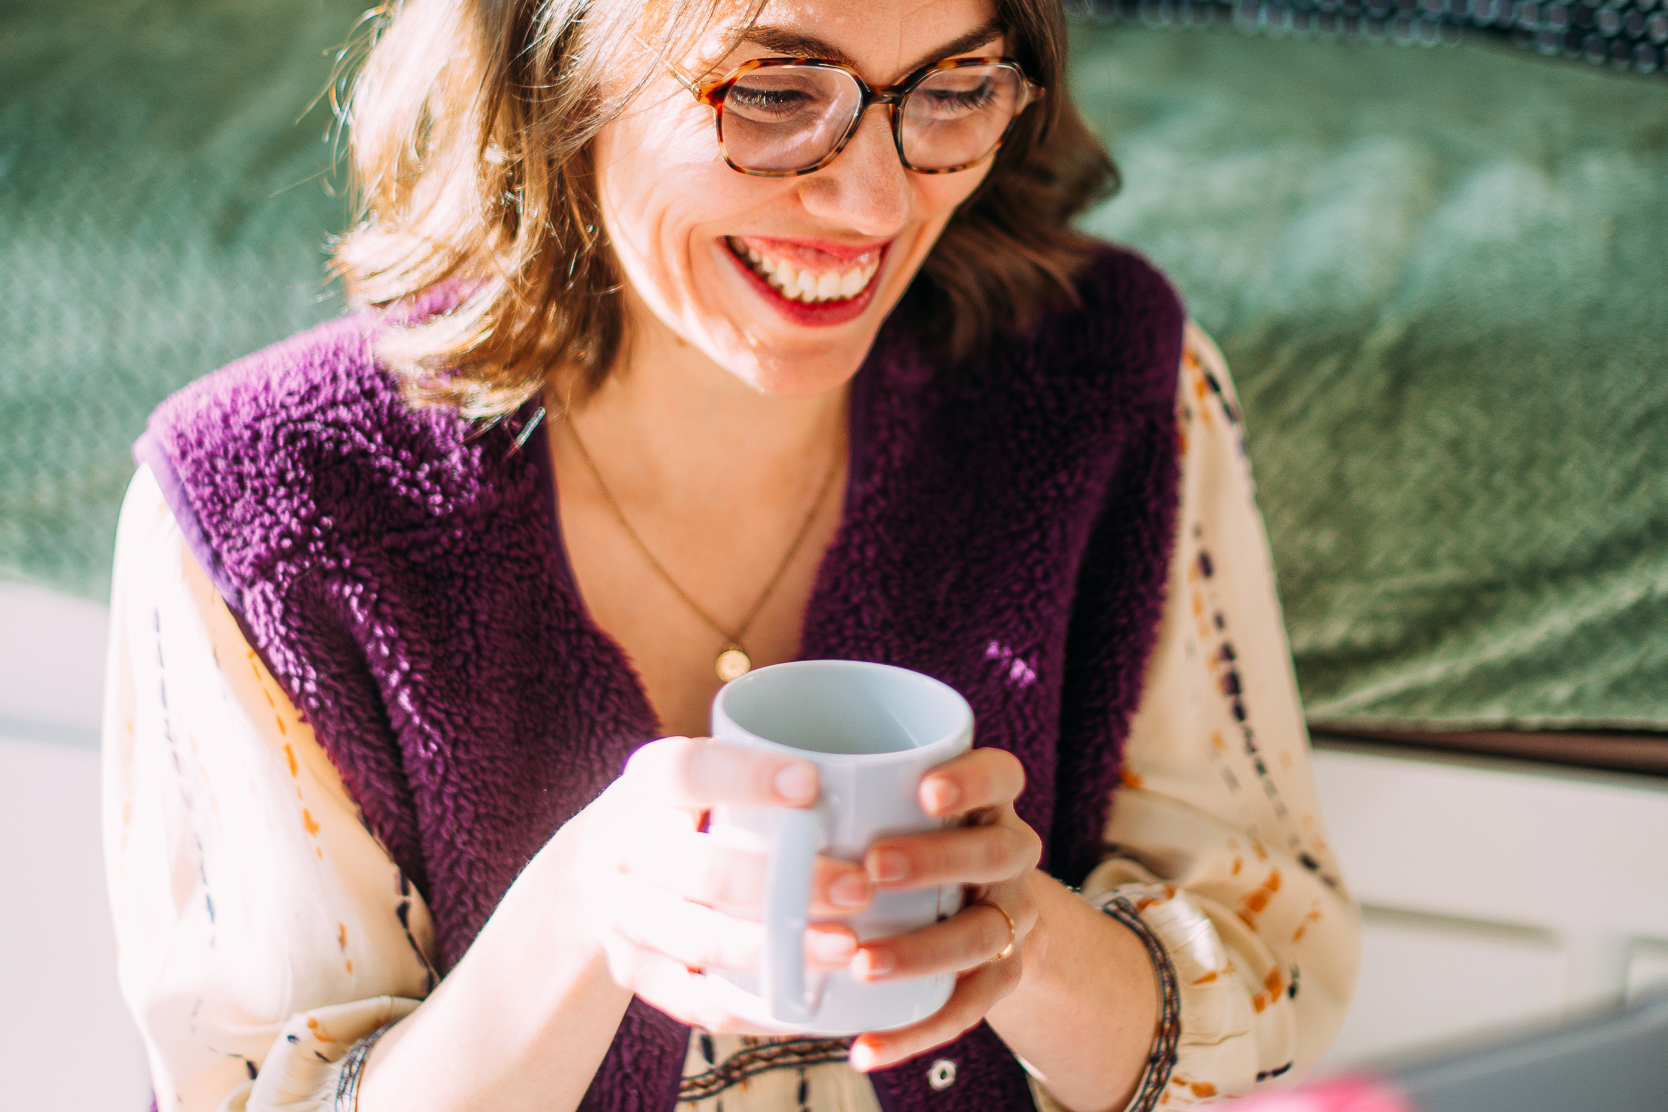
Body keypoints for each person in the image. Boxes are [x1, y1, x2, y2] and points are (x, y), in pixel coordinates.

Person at [102, 1, 1360, 1110]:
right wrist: (591, 911)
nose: (874, 202)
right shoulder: (266, 510)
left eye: (957, 91)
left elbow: (1267, 976)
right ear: (555, 64)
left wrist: (1022, 941)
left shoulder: (1109, 383)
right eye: (769, 95)